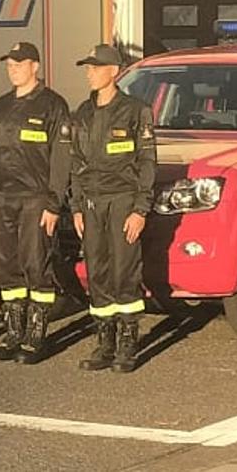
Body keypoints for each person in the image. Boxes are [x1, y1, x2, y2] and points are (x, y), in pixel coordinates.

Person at [65, 44, 158, 373]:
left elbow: (147, 162)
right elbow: (75, 163)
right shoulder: (82, 113)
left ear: (113, 71)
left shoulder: (135, 111)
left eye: (94, 67)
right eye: (87, 67)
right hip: (91, 205)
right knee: (98, 272)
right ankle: (105, 341)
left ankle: (128, 343)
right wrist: (76, 207)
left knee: (124, 272)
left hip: (122, 202)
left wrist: (140, 209)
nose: (88, 72)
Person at [0, 41, 71, 365]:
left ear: (35, 66)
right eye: (9, 64)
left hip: (36, 199)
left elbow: (62, 159)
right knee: (7, 267)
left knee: (36, 264)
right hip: (5, 199)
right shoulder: (0, 106)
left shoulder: (53, 105)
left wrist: (53, 203)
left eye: (19, 64)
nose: (13, 69)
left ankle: (36, 337)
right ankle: (13, 334)